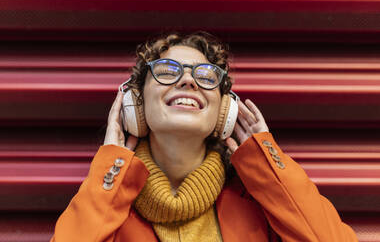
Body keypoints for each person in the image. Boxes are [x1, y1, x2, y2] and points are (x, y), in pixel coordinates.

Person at [50, 32, 358, 242]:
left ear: (225, 111)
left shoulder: (260, 209)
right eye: (167, 71)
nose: (188, 81)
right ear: (137, 105)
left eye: (206, 76)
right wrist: (109, 172)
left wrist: (268, 165)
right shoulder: (109, 211)